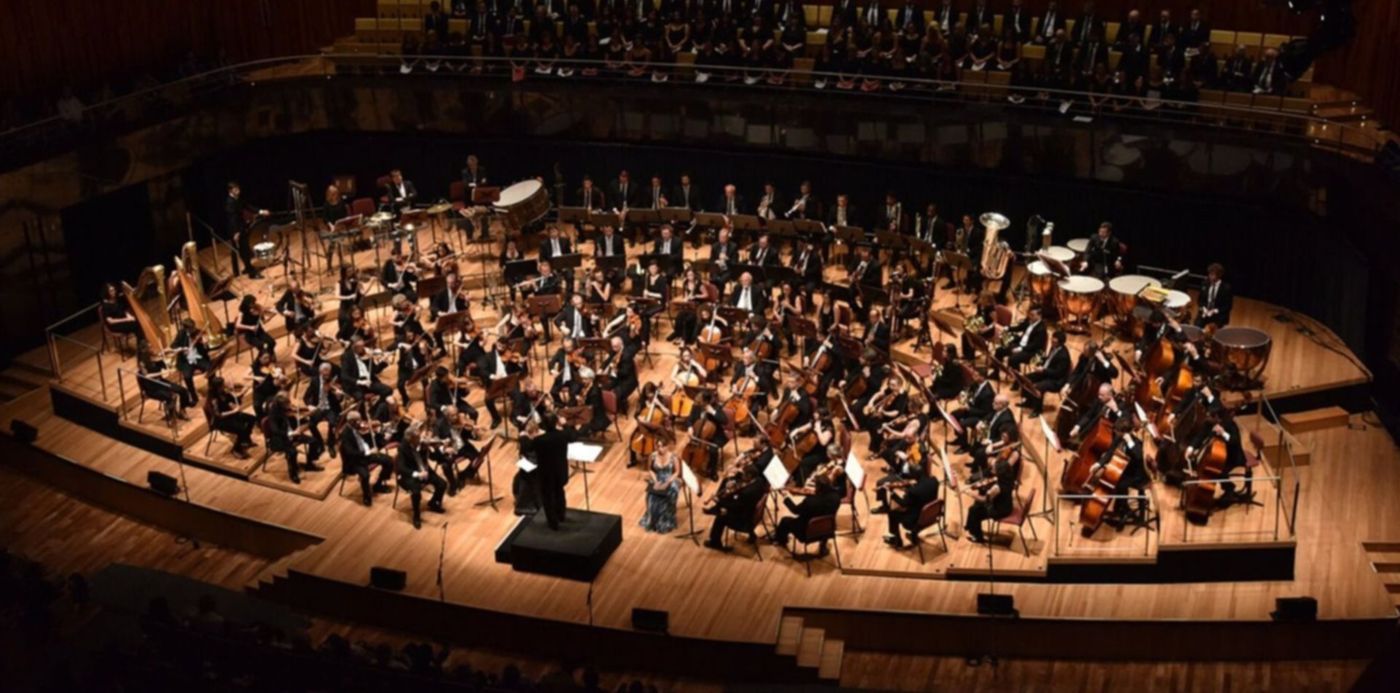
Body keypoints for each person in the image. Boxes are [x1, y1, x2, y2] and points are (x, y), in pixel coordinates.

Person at [520, 412, 578, 530]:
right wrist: (565, 424)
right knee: (559, 492)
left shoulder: (539, 440)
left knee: (547, 497)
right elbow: (573, 436)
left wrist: (523, 436)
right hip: (561, 471)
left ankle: (553, 523)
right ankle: (561, 515)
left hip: (546, 474)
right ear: (556, 423)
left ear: (543, 425)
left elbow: (527, 448)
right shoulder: (563, 435)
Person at [704, 462, 770, 550]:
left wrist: (719, 501)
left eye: (744, 475)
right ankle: (752, 534)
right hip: (752, 512)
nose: (742, 476)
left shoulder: (746, 493)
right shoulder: (759, 481)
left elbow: (736, 507)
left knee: (720, 517)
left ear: (749, 476)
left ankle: (714, 542)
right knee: (725, 505)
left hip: (744, 519)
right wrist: (734, 484)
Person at [771, 474, 841, 555]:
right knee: (824, 518)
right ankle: (823, 546)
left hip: (807, 532)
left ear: (818, 487)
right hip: (827, 530)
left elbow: (795, 510)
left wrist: (786, 497)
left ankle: (781, 540)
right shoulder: (836, 497)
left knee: (785, 521)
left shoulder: (810, 502)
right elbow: (823, 503)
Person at [265, 392, 324, 485]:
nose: (289, 406)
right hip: (279, 439)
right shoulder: (273, 415)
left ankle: (309, 464)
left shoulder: (286, 410)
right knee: (293, 452)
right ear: (281, 406)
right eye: (287, 405)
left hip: (292, 433)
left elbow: (296, 418)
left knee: (313, 441)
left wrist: (307, 416)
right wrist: (291, 433)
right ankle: (293, 473)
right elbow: (275, 430)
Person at [397, 428, 447, 529]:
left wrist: (437, 448)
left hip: (425, 471)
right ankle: (416, 516)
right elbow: (401, 468)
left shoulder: (422, 445)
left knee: (442, 484)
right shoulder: (402, 448)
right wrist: (417, 474)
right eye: (417, 438)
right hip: (409, 476)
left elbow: (434, 457)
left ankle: (433, 503)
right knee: (416, 493)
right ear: (410, 438)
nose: (420, 439)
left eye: (420, 436)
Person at [964, 454, 1017, 544]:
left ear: (999, 472)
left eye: (994, 469)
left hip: (999, 510)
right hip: (1007, 505)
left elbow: (984, 499)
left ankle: (978, 536)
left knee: (974, 510)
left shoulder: (997, 487)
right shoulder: (1010, 479)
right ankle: (971, 526)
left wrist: (971, 494)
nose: (992, 470)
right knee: (976, 506)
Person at [883, 470, 940, 548]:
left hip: (916, 521)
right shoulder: (934, 481)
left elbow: (903, 504)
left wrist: (892, 493)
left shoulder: (913, 491)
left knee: (892, 513)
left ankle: (897, 540)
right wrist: (909, 487)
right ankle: (914, 535)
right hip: (932, 516)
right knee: (919, 505)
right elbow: (922, 490)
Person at [224, 181, 269, 279]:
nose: (238, 191)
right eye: (236, 189)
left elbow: (248, 206)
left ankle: (244, 269)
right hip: (236, 230)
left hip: (240, 227)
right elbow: (232, 219)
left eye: (238, 188)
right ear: (230, 191)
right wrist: (236, 232)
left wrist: (261, 211)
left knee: (242, 249)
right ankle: (251, 273)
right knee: (243, 250)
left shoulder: (237, 199)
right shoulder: (230, 203)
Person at [1020, 331, 1071, 416]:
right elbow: (1048, 360)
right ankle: (1028, 402)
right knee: (1026, 378)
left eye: (1054, 341)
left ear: (1060, 343)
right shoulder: (1054, 347)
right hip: (1046, 373)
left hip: (1056, 380)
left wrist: (1043, 370)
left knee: (1039, 387)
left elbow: (1058, 373)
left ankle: (1037, 410)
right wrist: (1040, 363)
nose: (1052, 342)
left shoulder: (1064, 356)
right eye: (1052, 340)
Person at [206, 376, 257, 459]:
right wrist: (233, 411)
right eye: (223, 385)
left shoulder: (223, 393)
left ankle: (245, 439)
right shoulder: (213, 399)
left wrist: (243, 392)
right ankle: (236, 449)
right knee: (241, 428)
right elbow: (218, 415)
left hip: (230, 416)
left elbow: (234, 399)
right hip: (219, 421)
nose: (225, 385)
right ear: (218, 387)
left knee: (252, 419)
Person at [639, 449, 681, 533]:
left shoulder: (673, 457)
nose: (660, 448)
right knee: (651, 494)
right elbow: (650, 469)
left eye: (662, 446)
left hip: (670, 479)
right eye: (658, 446)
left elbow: (677, 472)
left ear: (667, 446)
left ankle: (665, 520)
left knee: (672, 492)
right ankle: (653, 520)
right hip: (657, 479)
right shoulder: (653, 456)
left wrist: (668, 482)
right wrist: (655, 481)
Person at [1196, 262, 1233, 328]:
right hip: (1205, 312)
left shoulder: (1226, 288)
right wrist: (1204, 308)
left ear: (1219, 276)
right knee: (1197, 327)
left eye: (1212, 274)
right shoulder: (1204, 284)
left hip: (1218, 315)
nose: (1210, 276)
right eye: (1209, 274)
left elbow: (1228, 306)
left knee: (1212, 332)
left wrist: (1214, 311)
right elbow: (1200, 300)